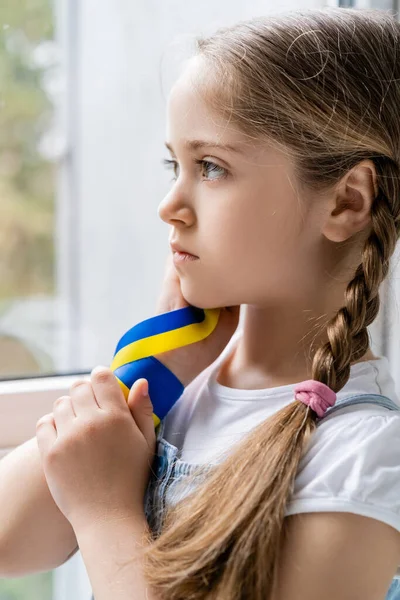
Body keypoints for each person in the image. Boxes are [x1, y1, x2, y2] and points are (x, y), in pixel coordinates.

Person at [1, 6, 400, 600]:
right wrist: (157, 364)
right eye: (174, 165)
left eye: (211, 167)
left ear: (346, 202)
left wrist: (107, 514)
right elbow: (9, 540)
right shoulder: (180, 392)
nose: (169, 204)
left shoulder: (363, 458)